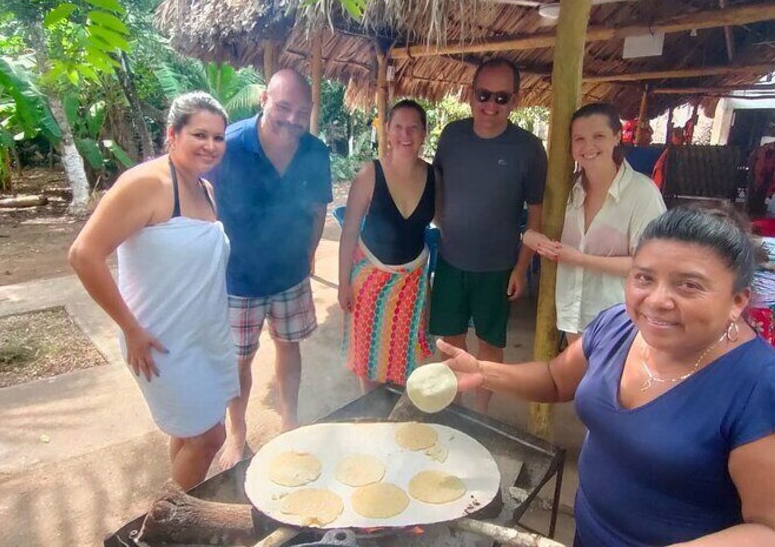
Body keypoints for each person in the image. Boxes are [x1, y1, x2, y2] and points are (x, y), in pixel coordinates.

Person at [442, 204, 775, 546]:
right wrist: (483, 372)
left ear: (737, 301)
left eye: (688, 285)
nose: (657, 299)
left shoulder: (766, 393)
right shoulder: (618, 326)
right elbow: (557, 379)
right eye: (644, 278)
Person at [68, 92, 237, 490]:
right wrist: (131, 329)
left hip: (202, 337)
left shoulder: (203, 189)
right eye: (200, 134)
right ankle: (163, 526)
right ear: (172, 135)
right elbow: (83, 255)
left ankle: (180, 502)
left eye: (218, 137)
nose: (210, 146)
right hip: (158, 341)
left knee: (187, 431)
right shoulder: (146, 183)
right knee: (209, 437)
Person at [210, 69, 332, 470]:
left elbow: (318, 211)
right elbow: (199, 205)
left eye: (302, 111)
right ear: (264, 99)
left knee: (289, 345)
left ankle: (290, 421)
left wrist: (310, 255)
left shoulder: (315, 152)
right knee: (239, 360)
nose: (293, 119)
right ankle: (238, 432)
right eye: (283, 107)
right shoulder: (228, 146)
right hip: (237, 278)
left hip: (290, 274)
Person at [429, 57, 547, 413]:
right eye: (483, 95)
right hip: (450, 260)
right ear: (470, 95)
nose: (490, 106)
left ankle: (480, 415)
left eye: (501, 98)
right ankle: (454, 408)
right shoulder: (452, 135)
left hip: (498, 267)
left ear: (515, 100)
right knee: (450, 341)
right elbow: (436, 185)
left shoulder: (528, 149)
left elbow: (536, 214)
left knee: (490, 344)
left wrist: (522, 267)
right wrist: (441, 223)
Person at [524, 103, 666, 344]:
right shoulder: (567, 191)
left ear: (617, 137)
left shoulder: (641, 192)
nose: (588, 146)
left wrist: (579, 259)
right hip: (572, 313)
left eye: (598, 136)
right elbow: (541, 231)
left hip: (620, 319)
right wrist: (530, 237)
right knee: (579, 381)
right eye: (579, 139)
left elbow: (650, 265)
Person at [338, 99, 435, 391]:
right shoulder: (369, 174)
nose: (405, 135)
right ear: (388, 131)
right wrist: (343, 283)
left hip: (413, 282)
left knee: (406, 356)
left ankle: (394, 423)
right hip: (369, 279)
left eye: (413, 128)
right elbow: (350, 231)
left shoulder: (434, 176)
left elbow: (447, 220)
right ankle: (371, 416)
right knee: (367, 355)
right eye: (398, 128)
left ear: (424, 133)